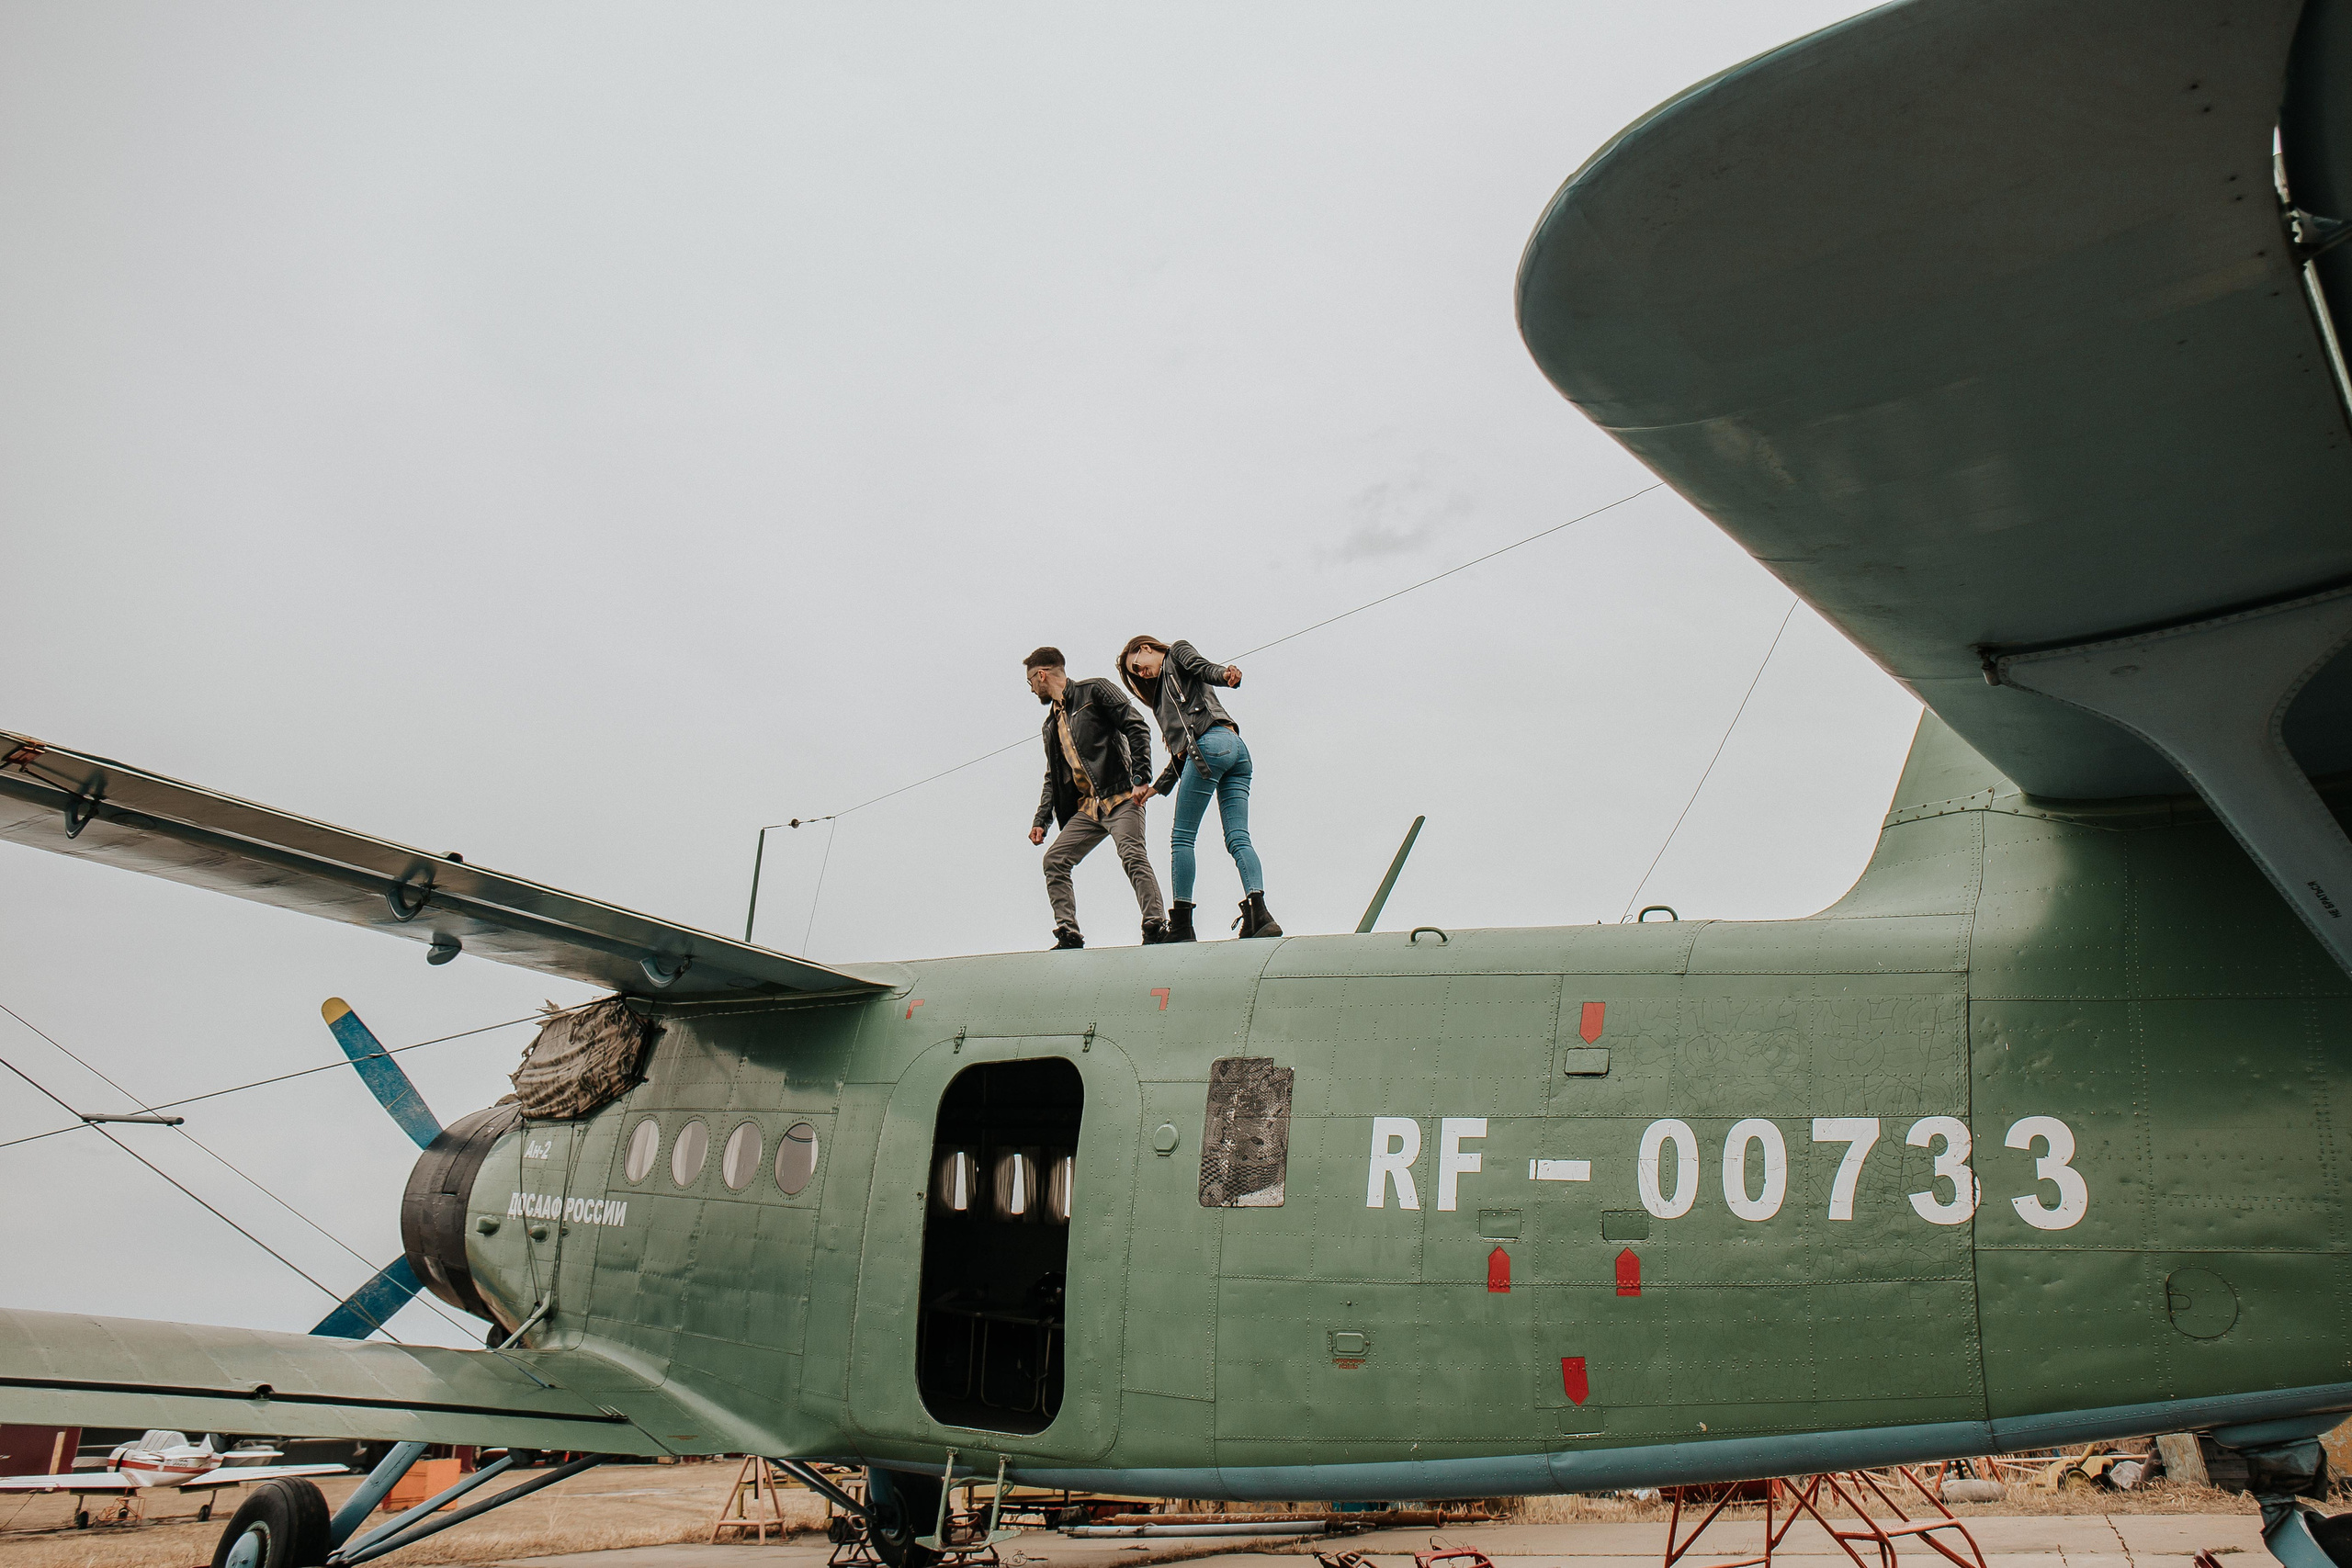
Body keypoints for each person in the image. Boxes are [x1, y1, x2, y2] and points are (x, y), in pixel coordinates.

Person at [1117, 636, 1280, 941]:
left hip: (1211, 746)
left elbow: (1202, 667)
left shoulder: (1176, 654)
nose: (1141, 673)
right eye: (1135, 674)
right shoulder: (1162, 701)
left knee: (1182, 838)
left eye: (1137, 666)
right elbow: (1182, 755)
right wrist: (1155, 788)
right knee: (1238, 837)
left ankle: (1181, 924)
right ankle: (1260, 914)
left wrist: (1225, 676)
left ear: (1146, 649)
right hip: (1236, 750)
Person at [1024, 647, 1167, 949]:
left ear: (1042, 674)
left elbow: (1136, 726)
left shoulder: (1094, 691)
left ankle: (1155, 923)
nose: (1032, 688)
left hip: (1121, 795)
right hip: (1089, 808)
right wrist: (1041, 820)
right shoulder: (1051, 726)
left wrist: (1141, 777)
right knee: (1055, 860)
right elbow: (1054, 777)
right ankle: (1068, 931)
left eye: (1030, 682)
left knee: (1132, 854)